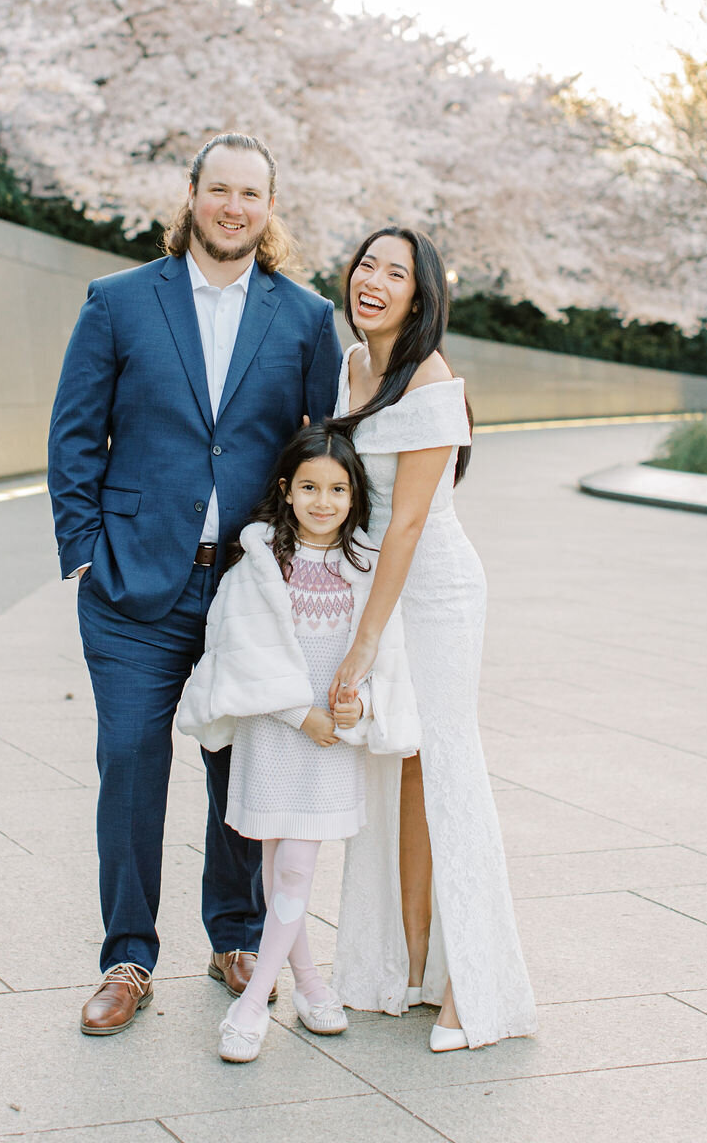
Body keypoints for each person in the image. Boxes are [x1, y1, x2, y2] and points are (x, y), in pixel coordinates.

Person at [47, 133, 341, 1037]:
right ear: (193, 195)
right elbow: (72, 437)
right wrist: (87, 550)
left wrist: (307, 570)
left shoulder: (303, 317)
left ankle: (236, 936)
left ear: (268, 206)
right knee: (131, 763)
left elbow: (325, 447)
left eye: (251, 194)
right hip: (133, 587)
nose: (234, 207)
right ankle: (127, 957)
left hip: (248, 593)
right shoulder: (120, 302)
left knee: (239, 771)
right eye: (220, 190)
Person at [328, 226, 537, 1052]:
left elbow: (409, 520)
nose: (373, 281)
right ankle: (403, 966)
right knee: (395, 770)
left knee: (445, 766)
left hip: (433, 593)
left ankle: (471, 987)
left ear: (422, 296)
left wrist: (362, 644)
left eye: (396, 273)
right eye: (367, 265)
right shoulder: (350, 366)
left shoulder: (431, 375)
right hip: (375, 584)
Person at [177, 423, 421, 1062]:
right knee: (278, 860)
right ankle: (310, 983)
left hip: (329, 743)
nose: (323, 501)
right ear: (285, 491)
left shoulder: (365, 568)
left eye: (338, 489)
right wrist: (297, 712)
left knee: (296, 865)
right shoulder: (258, 565)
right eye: (309, 487)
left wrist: (355, 705)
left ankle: (254, 1000)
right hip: (279, 735)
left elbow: (385, 657)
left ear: (354, 497)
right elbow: (238, 654)